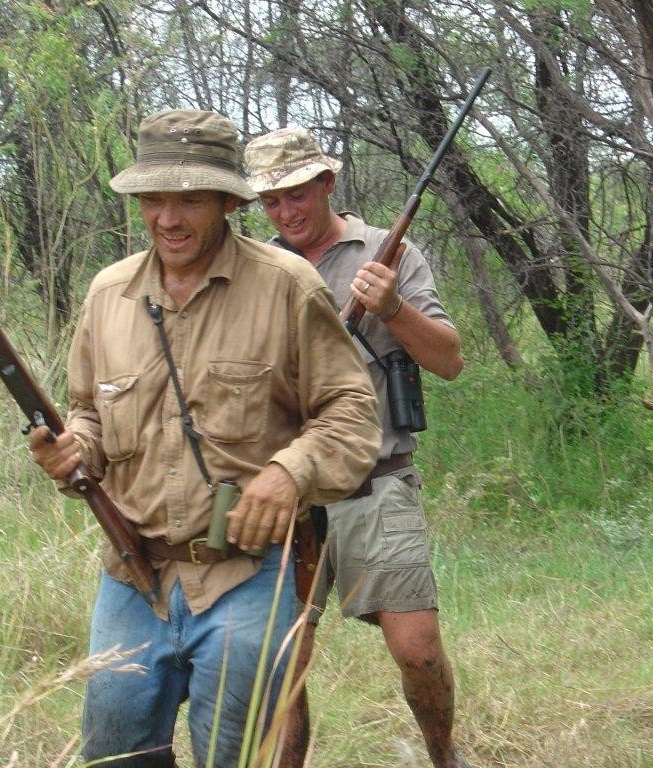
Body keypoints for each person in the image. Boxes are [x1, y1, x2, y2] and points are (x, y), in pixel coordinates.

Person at [29, 110, 381, 767]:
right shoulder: (107, 295)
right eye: (153, 199)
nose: (168, 218)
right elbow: (88, 414)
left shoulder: (287, 287)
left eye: (189, 198)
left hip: (248, 573)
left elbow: (352, 412)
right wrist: (73, 448)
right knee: (114, 755)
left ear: (225, 201)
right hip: (133, 570)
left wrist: (290, 471)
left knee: (234, 757)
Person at [243, 127, 469, 768]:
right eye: (272, 201)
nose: (286, 212)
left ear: (327, 184)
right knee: (277, 656)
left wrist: (393, 307)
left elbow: (449, 360)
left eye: (297, 195)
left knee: (417, 647)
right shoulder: (254, 269)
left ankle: (443, 755)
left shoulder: (387, 253)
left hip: (375, 477)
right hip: (279, 488)